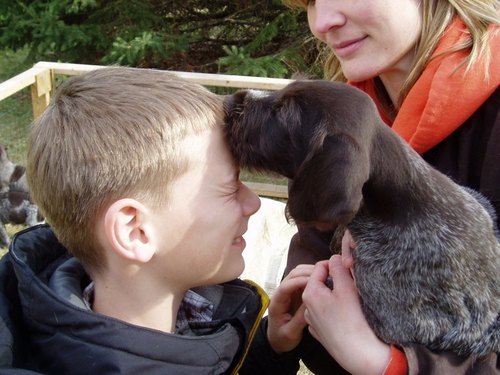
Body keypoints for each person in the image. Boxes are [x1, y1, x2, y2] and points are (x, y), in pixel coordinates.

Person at [0, 67, 311, 374]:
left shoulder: (197, 312)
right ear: (135, 231)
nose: (253, 202)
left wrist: (269, 348)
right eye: (230, 187)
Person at [279, 0, 500, 374]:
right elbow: (309, 264)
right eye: (311, 1)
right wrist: (291, 322)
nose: (322, 23)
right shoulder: (330, 127)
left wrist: (392, 367)